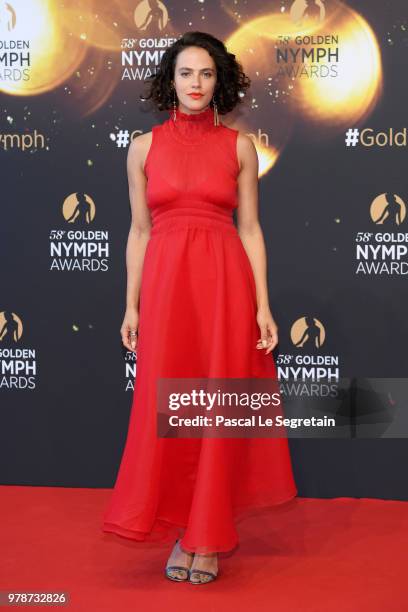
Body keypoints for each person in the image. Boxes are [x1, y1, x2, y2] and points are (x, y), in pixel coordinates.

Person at [102, 31, 297, 585]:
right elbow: (139, 231)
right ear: (171, 79)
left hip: (223, 289)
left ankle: (203, 537)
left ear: (220, 82)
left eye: (207, 74)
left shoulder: (239, 147)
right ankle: (182, 527)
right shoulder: (142, 147)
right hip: (166, 290)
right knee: (170, 414)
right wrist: (130, 307)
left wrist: (262, 305)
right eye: (186, 73)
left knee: (213, 408)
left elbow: (251, 229)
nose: (196, 84)